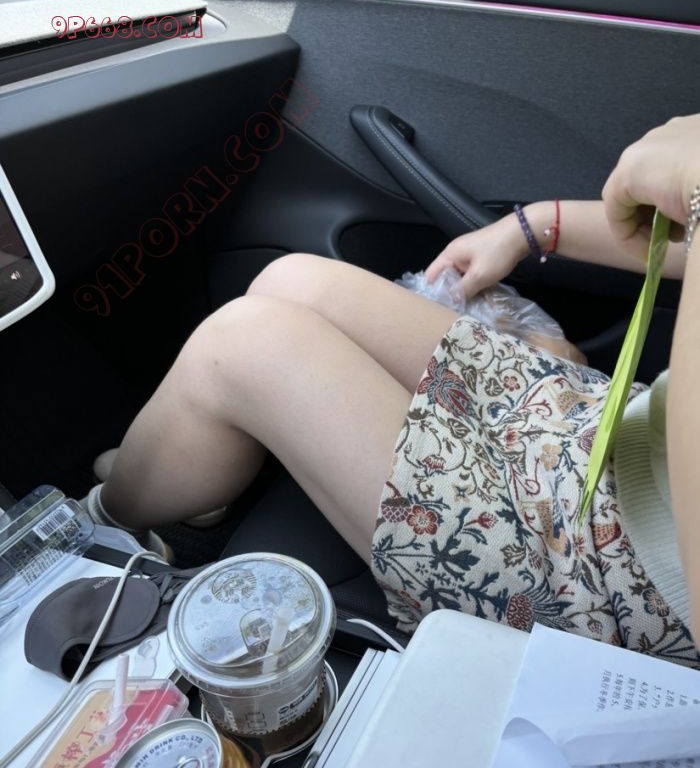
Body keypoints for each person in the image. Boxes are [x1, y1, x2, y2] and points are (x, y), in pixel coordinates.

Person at [85, 114, 700, 665]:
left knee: (240, 344)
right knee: (292, 282)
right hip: (602, 432)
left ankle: (108, 519)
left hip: (603, 572)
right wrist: (534, 226)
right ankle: (189, 485)